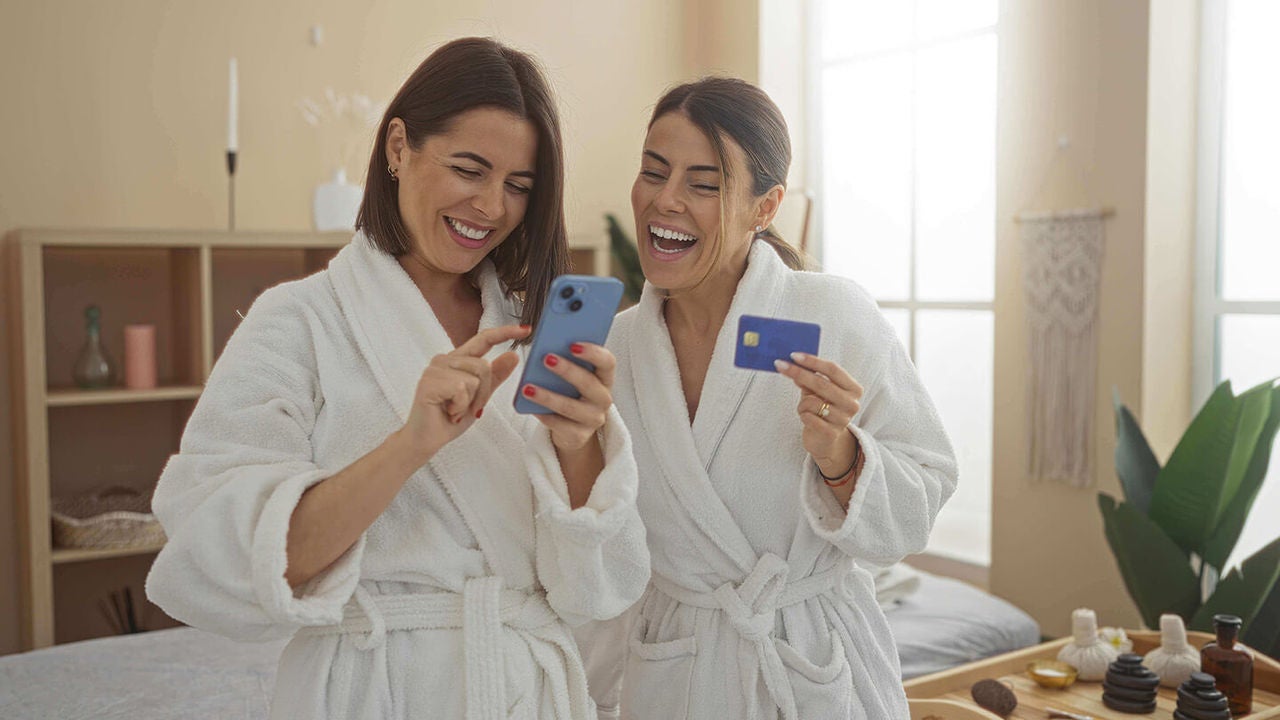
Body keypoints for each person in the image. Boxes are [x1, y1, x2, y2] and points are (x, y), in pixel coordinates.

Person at [145, 37, 649, 720]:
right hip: (372, 690)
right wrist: (410, 443)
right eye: (469, 169)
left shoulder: (532, 327)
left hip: (525, 690)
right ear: (398, 148)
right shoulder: (299, 321)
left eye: (519, 187)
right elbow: (244, 558)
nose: (492, 207)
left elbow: (596, 588)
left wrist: (579, 444)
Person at [595, 77, 958, 719]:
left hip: (808, 663)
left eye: (704, 184)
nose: (666, 201)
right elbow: (605, 553)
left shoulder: (833, 314)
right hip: (676, 677)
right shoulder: (617, 351)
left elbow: (920, 505)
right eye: (654, 172)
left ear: (766, 207)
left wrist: (843, 457)